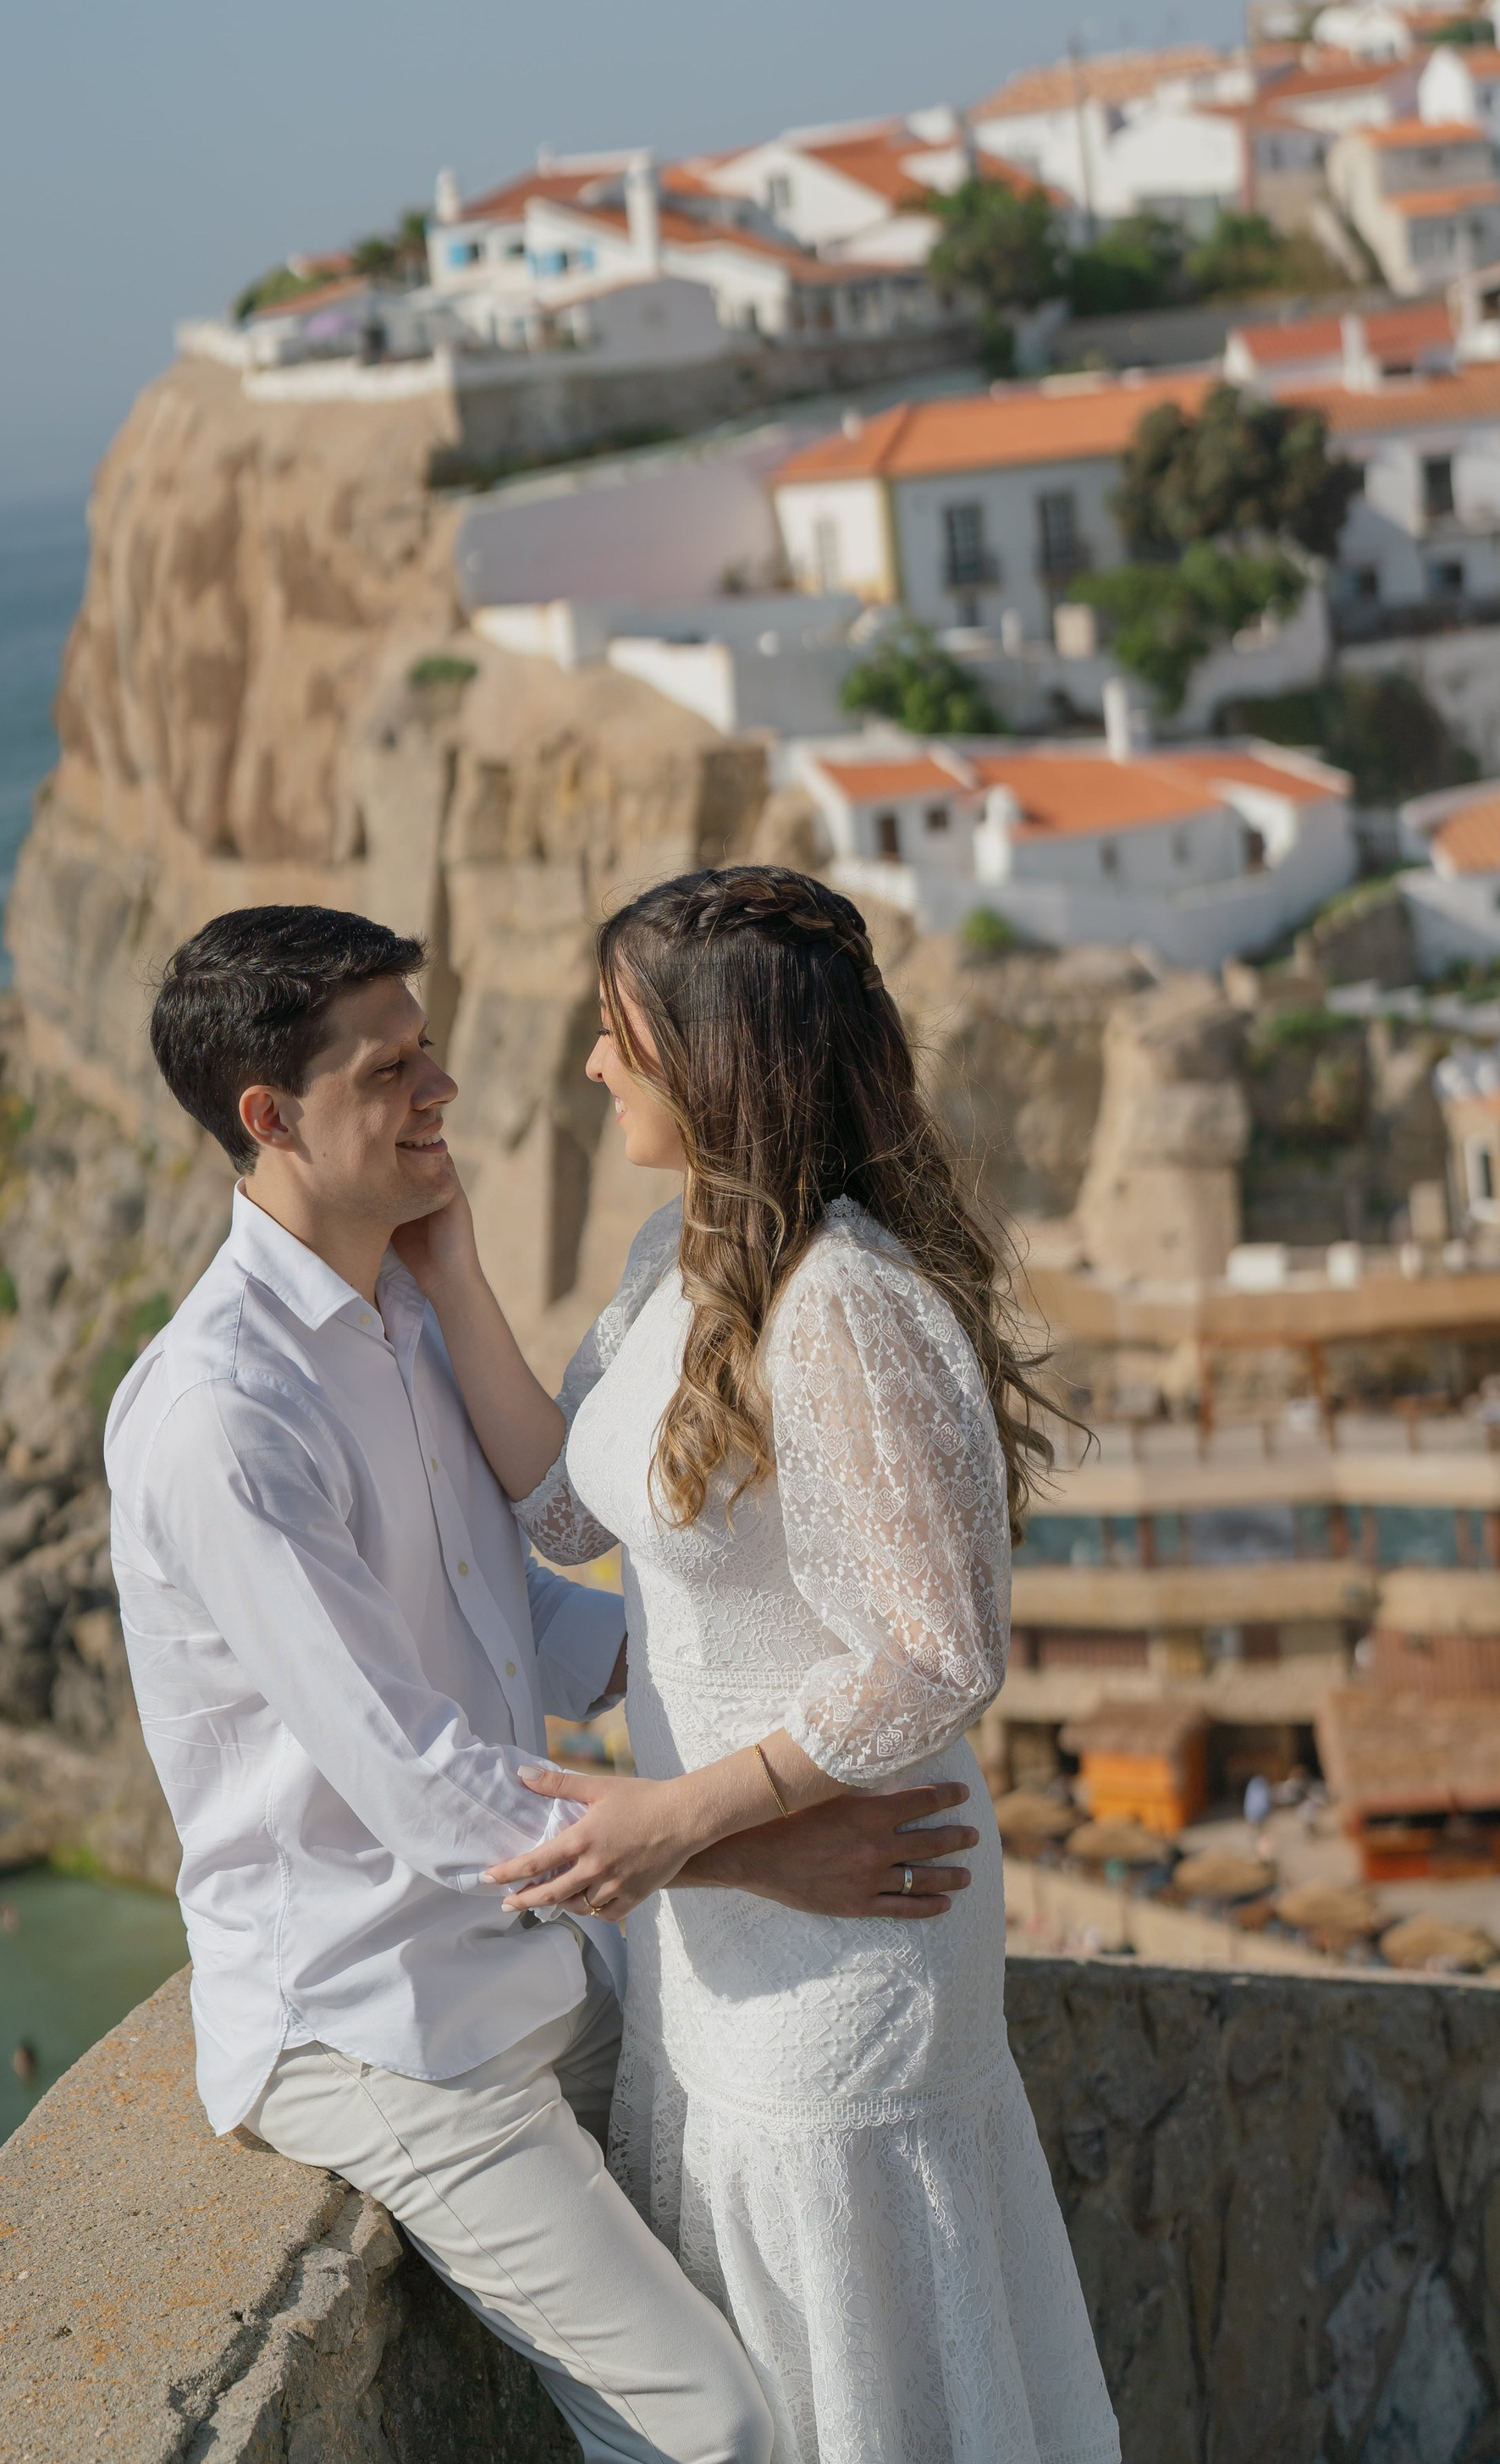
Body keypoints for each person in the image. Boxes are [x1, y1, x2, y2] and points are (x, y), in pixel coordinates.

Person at [106, 903, 986, 2464]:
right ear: (270, 1118)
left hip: (528, 1955)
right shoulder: (222, 1415)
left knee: (776, 2302)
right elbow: (415, 1774)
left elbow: (513, 1596)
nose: (441, 1085)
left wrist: (736, 1693)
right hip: (380, 2016)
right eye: (392, 1069)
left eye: (424, 1046)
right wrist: (744, 1836)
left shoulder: (396, 1315)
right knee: (712, 2423)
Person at [397, 865, 1119, 2464]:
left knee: (862, 2370)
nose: (592, 1067)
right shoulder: (675, 1258)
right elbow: (567, 1505)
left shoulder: (845, 1303)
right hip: (732, 1919)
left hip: (856, 1937)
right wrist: (444, 1261)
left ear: (713, 1062)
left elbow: (941, 1651)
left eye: (617, 1037)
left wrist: (680, 1819)